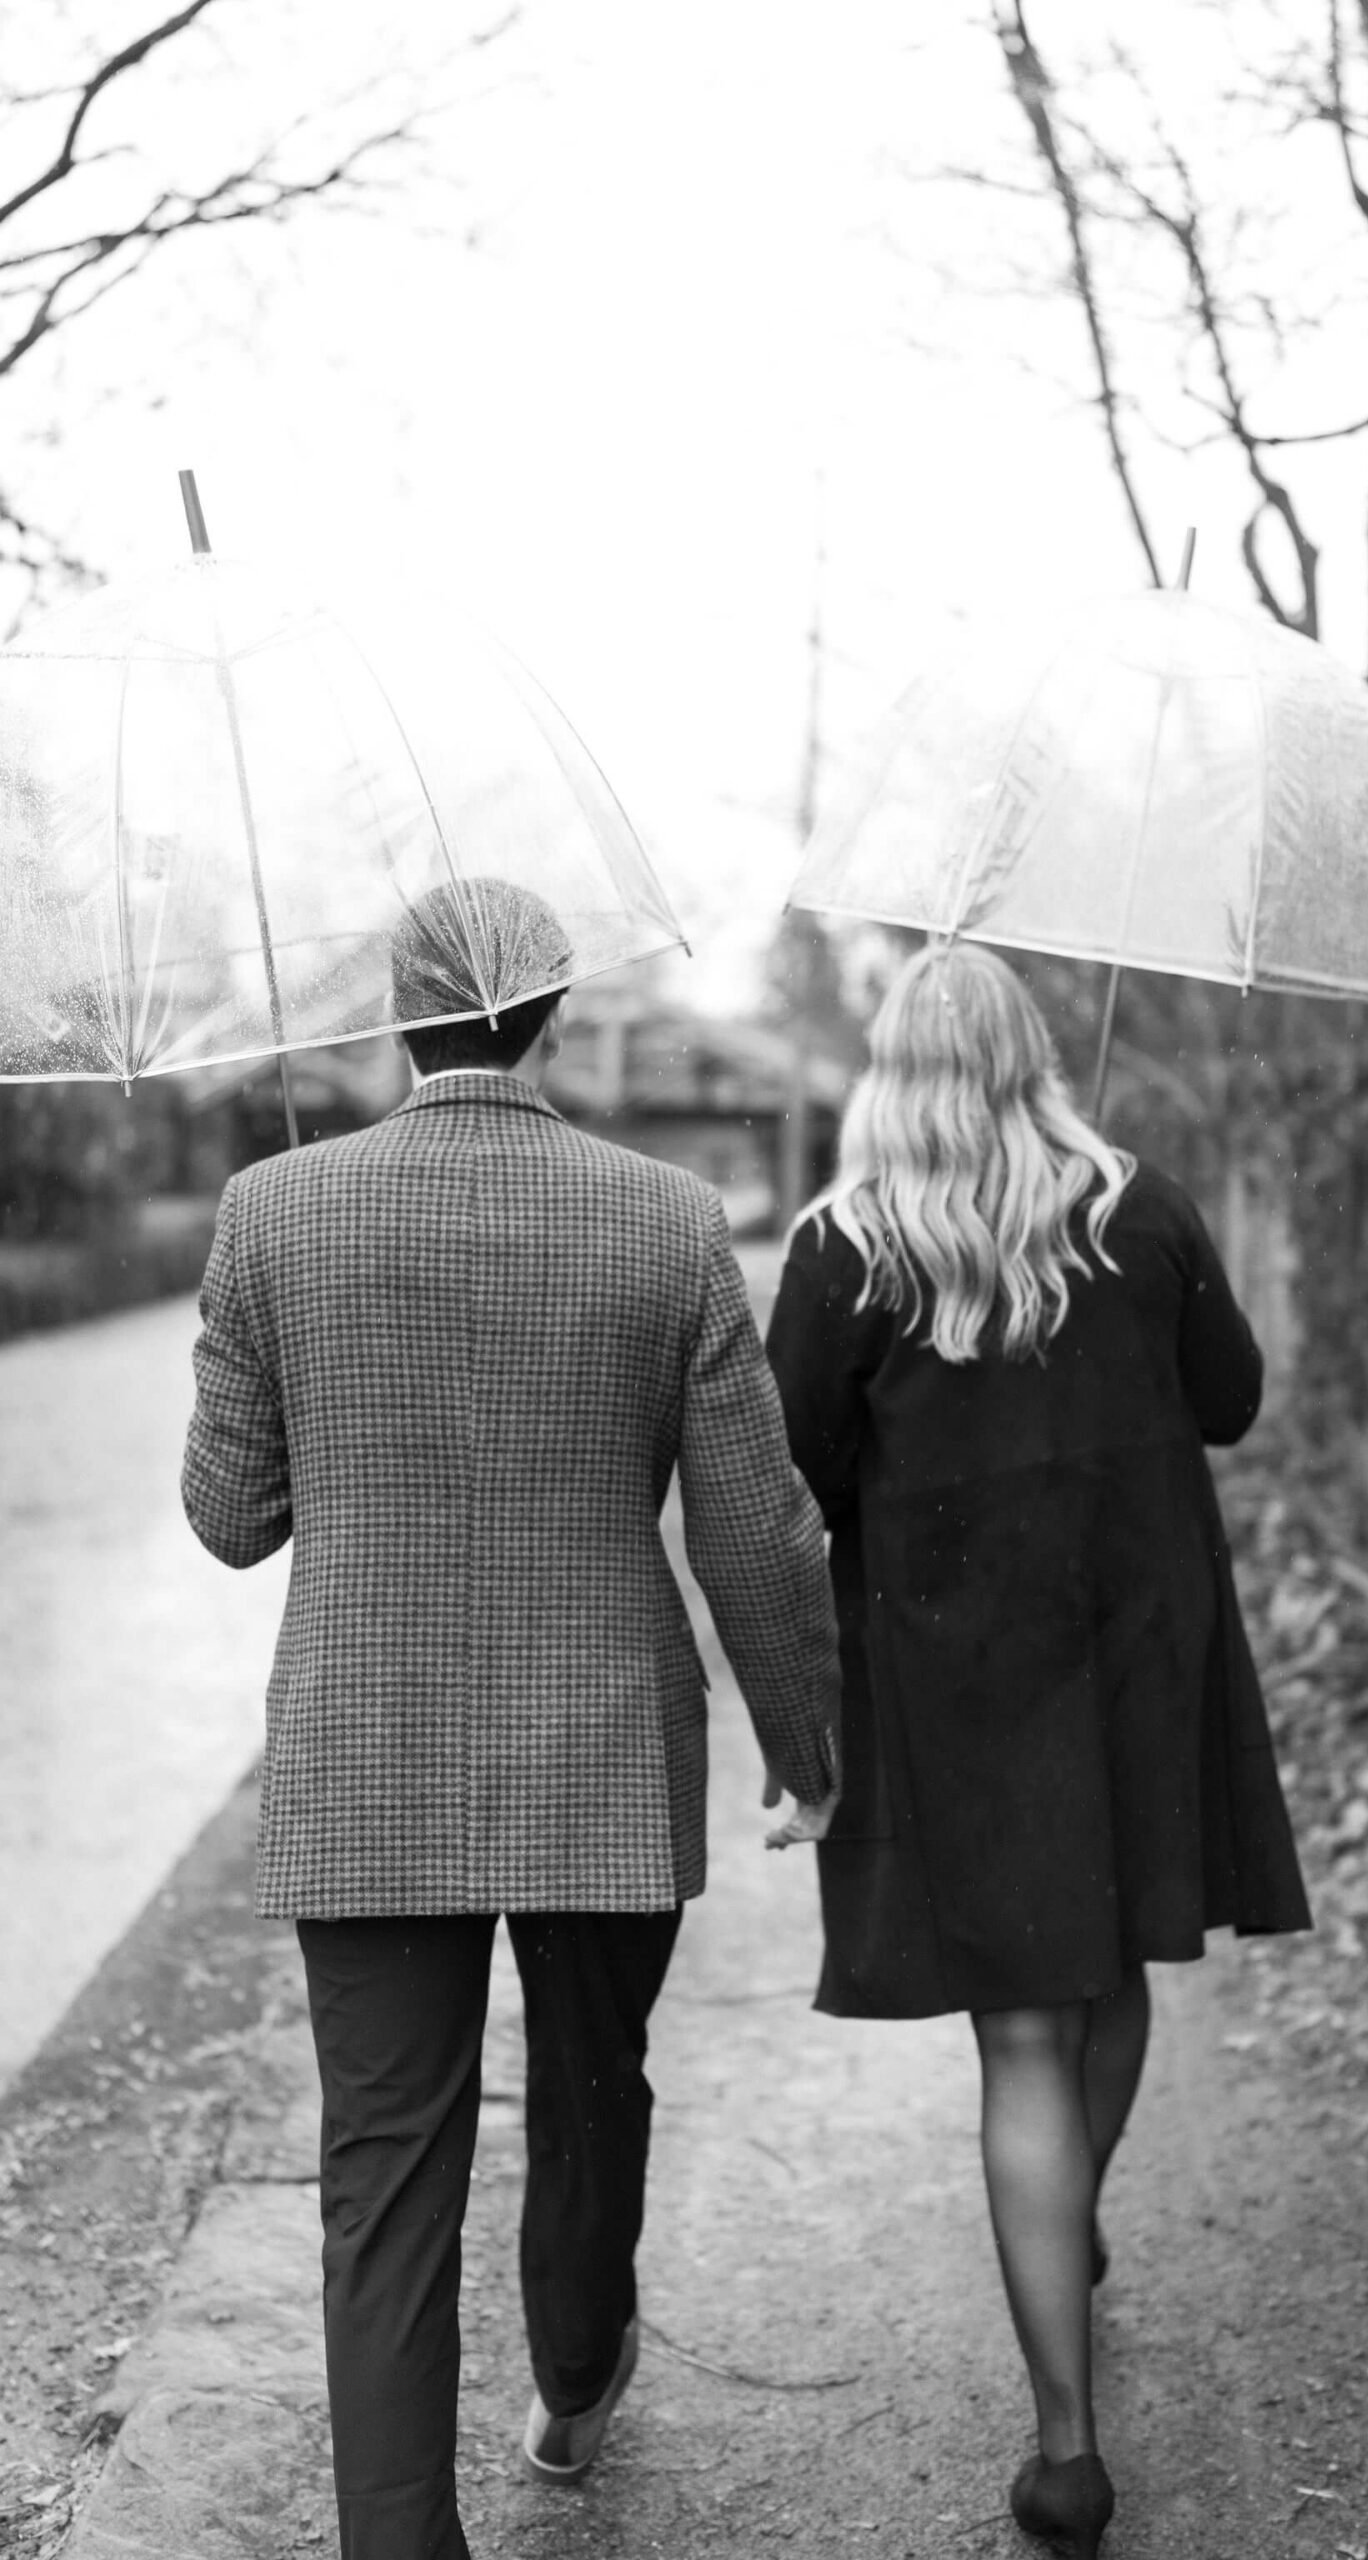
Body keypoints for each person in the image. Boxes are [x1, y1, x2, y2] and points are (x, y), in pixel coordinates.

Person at [182, 877, 840, 2560]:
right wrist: (805, 1745)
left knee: (384, 2172)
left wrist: (250, 1332)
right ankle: (573, 2372)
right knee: (595, 2079)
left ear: (397, 1023)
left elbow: (231, 1516)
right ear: (551, 1015)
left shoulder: (275, 1211)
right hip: (604, 1752)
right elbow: (754, 1525)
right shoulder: (667, 1217)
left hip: (368, 1761)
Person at [763, 941, 1311, 2560]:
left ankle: (1067, 2451)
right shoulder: (1137, 1209)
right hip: (1137, 1650)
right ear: (1032, 1056)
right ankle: (1071, 2231)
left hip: (954, 1677)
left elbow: (801, 1474)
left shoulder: (844, 1250)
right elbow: (1234, 1401)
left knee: (1021, 2044)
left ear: (893, 1070)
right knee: (1117, 1975)